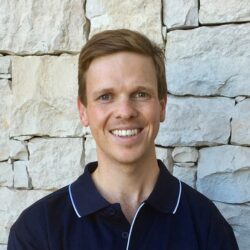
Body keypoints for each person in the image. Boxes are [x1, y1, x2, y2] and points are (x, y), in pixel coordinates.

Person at [7, 29, 239, 250]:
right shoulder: (37, 230)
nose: (125, 111)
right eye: (105, 96)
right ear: (83, 111)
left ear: (162, 106)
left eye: (140, 94)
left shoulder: (206, 224)